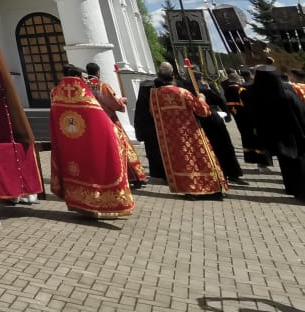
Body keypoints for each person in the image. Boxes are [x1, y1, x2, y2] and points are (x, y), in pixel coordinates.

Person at [50, 65, 134, 219]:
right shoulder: (84, 95)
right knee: (93, 173)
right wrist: (116, 134)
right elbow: (100, 121)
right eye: (83, 78)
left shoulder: (56, 93)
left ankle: (80, 205)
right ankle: (97, 206)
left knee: (75, 172)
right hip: (89, 144)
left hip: (68, 145)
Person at [150, 63, 227, 199]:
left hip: (170, 135)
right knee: (201, 159)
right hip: (190, 131)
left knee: (182, 161)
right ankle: (212, 189)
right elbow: (203, 112)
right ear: (173, 77)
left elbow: (153, 112)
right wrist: (202, 99)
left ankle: (189, 190)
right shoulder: (183, 92)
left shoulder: (154, 96)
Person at [245, 65, 305, 201]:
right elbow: (300, 112)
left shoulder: (253, 94)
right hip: (293, 132)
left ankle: (291, 188)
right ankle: (302, 191)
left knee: (285, 162)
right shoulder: (287, 93)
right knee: (298, 162)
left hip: (274, 135)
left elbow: (254, 116)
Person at [84, 63, 147, 189]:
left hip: (95, 124)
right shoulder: (102, 85)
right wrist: (121, 101)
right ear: (98, 72)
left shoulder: (84, 87)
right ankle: (134, 176)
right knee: (123, 146)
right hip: (110, 121)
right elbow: (112, 102)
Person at [186, 66, 247, 185]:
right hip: (208, 119)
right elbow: (220, 100)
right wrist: (227, 114)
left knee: (220, 147)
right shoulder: (200, 88)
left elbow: (219, 100)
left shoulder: (194, 89)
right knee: (222, 147)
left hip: (204, 119)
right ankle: (228, 174)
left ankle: (228, 173)